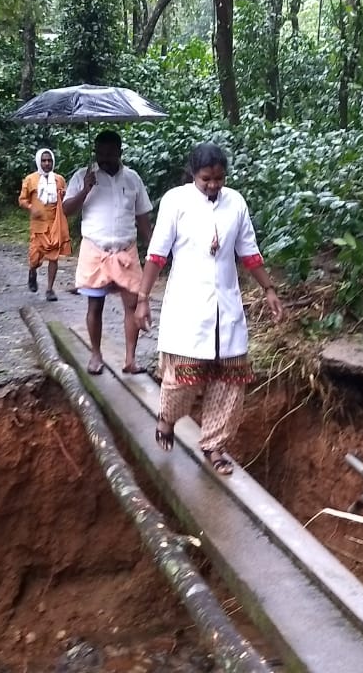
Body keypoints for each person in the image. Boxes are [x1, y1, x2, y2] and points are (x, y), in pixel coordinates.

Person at [134, 143, 284, 476]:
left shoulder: (236, 203)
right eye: (206, 179)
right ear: (194, 175)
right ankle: (167, 417)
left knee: (229, 381)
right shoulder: (176, 201)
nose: (214, 185)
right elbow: (157, 255)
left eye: (219, 178)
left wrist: (269, 289)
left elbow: (249, 253)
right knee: (182, 378)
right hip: (188, 305)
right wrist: (143, 297)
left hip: (226, 307)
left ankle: (215, 445)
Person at [63, 130, 153, 375]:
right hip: (96, 250)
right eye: (100, 152)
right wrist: (85, 189)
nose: (104, 157)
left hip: (126, 250)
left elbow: (143, 217)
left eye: (109, 152)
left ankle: (130, 359)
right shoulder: (83, 176)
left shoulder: (133, 179)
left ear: (119, 151)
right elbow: (65, 211)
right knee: (95, 306)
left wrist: (154, 249)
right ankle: (95, 354)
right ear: (95, 151)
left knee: (132, 305)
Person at [18, 148, 72, 301]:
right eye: (44, 160)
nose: (47, 163)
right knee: (35, 257)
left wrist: (63, 197)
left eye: (49, 160)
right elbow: (22, 200)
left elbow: (66, 200)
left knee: (53, 257)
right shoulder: (30, 179)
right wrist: (31, 207)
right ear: (38, 162)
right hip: (38, 226)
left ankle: (49, 289)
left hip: (55, 224)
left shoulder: (59, 179)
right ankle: (32, 271)